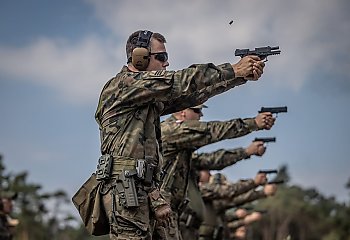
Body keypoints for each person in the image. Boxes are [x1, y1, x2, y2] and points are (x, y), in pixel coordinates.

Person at [94, 29, 266, 239]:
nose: (166, 63)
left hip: (145, 191)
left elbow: (191, 95)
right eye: (162, 57)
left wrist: (238, 77)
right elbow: (179, 81)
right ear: (140, 58)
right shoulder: (124, 85)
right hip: (127, 191)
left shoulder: (144, 97)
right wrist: (233, 69)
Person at [157, 104, 275, 239]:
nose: (201, 115)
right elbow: (211, 130)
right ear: (183, 111)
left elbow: (211, 160)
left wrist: (246, 152)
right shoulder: (172, 130)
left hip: (175, 220)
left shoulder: (181, 148)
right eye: (197, 111)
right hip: (168, 217)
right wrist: (253, 123)